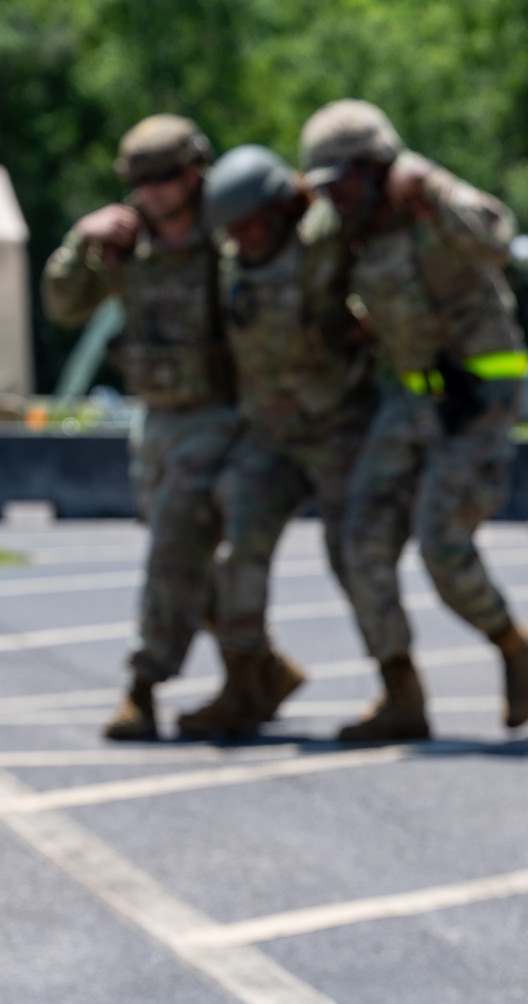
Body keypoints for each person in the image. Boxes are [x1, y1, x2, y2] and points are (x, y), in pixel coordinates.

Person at [43, 115, 299, 742]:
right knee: (181, 556)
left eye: (164, 178)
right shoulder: (122, 241)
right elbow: (62, 306)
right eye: (141, 180)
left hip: (232, 415)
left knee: (179, 551)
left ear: (195, 174)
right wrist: (82, 240)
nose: (153, 192)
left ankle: (144, 686)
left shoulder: (230, 229)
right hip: (160, 418)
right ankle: (259, 669)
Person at [298, 100, 528, 742]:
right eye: (325, 187)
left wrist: (433, 186)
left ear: (378, 166)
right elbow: (307, 279)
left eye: (343, 182)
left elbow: (497, 239)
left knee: (442, 544)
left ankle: (514, 642)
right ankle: (400, 693)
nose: (336, 198)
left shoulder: (425, 202)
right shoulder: (348, 228)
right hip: (409, 401)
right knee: (360, 542)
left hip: (478, 400)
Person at [169, 144, 378, 738]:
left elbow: (368, 223)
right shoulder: (229, 261)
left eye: (256, 221)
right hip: (270, 436)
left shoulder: (323, 241)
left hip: (338, 427)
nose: (247, 235)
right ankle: (247, 680)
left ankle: (401, 688)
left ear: (284, 207)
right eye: (235, 227)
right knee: (232, 553)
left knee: (358, 560)